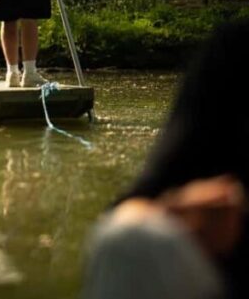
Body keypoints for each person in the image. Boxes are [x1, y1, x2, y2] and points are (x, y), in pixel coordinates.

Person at [82, 20, 249, 299]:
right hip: (228, 272)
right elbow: (137, 202)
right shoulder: (235, 49)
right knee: (128, 240)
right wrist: (177, 210)